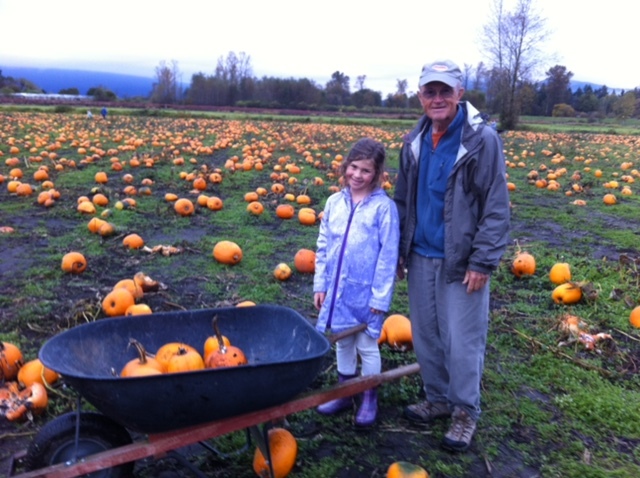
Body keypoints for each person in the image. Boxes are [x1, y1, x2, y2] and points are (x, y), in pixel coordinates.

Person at [393, 60, 510, 451]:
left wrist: (482, 261)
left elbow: (495, 205)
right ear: (420, 96)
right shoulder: (413, 142)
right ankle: (438, 398)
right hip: (421, 254)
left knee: (463, 339)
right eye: (431, 91)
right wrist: (398, 251)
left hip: (461, 260)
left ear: (460, 93)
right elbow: (402, 201)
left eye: (446, 91)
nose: (438, 98)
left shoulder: (481, 140)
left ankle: (464, 410)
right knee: (426, 335)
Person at [314, 137, 400, 428]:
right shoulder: (334, 202)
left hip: (366, 293)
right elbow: (323, 246)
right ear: (345, 167)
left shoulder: (383, 209)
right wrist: (320, 284)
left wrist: (379, 299)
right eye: (353, 167)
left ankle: (368, 396)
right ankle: (344, 392)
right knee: (343, 342)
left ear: (376, 174)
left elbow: (388, 257)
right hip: (337, 290)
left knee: (366, 345)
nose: (357, 175)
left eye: (365, 170)